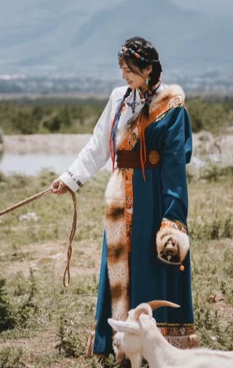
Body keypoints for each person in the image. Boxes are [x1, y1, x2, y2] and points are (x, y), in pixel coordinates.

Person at [51, 36, 197, 355]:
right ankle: (117, 342)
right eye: (121, 68)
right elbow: (99, 145)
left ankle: (156, 345)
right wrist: (70, 178)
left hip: (153, 196)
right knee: (119, 268)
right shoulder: (119, 98)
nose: (123, 76)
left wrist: (172, 216)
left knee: (149, 265)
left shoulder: (171, 106)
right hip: (120, 197)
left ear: (148, 69)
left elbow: (174, 163)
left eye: (129, 69)